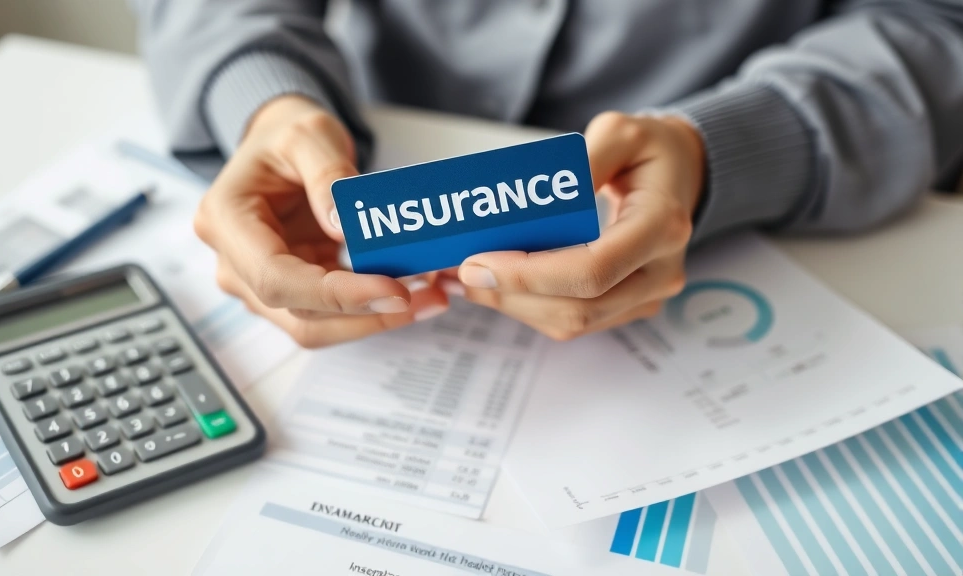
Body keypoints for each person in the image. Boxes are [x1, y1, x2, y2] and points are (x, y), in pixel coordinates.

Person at [132, 0, 963, 348]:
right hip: (375, 146)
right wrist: (262, 97)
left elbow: (937, 23)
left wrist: (724, 152)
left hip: (766, 206)